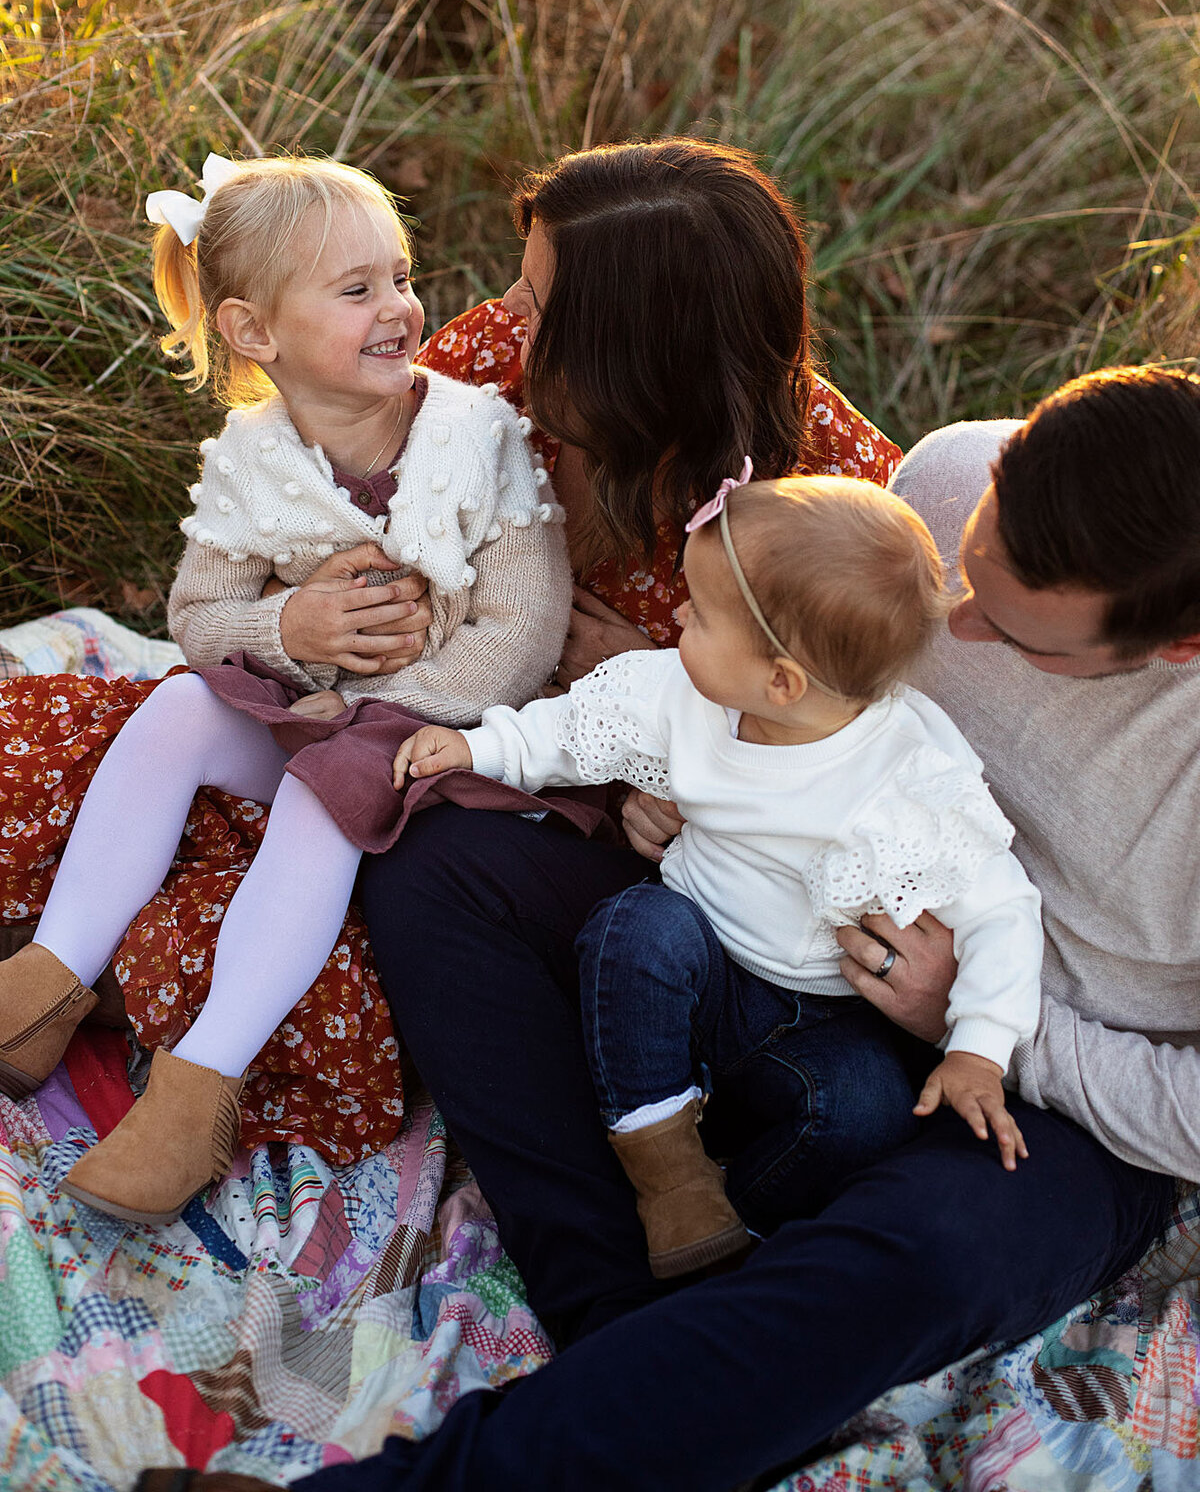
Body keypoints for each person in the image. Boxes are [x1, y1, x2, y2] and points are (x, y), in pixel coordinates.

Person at [184, 361, 1187, 1492]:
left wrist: (981, 1023)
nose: (958, 620)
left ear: (1178, 649)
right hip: (769, 932)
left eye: (1012, 633)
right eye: (972, 565)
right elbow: (811, 691)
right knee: (441, 859)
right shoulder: (951, 475)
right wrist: (702, 774)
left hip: (1044, 1085)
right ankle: (636, 1323)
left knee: (927, 1258)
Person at [0, 137, 899, 1164]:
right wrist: (300, 616)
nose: (504, 314)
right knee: (85, 760)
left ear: (637, 354)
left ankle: (183, 1064)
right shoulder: (487, 372)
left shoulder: (833, 508)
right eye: (519, 281)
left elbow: (850, 753)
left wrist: (638, 707)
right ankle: (48, 984)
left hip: (527, 802)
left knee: (312, 911)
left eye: (540, 302)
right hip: (349, 707)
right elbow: (337, 527)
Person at [0, 150, 573, 1225]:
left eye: (399, 277)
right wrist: (289, 627)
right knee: (177, 702)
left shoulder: (479, 438)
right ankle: (45, 981)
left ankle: (199, 1086)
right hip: (314, 720)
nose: (400, 308)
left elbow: (524, 635)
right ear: (255, 333)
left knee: (329, 778)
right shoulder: (254, 457)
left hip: (448, 751)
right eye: (356, 292)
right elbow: (197, 619)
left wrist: (377, 714)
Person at [398, 471, 1042, 1275]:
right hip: (698, 969)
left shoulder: (908, 772)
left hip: (826, 1015)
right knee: (635, 931)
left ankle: (730, 1223)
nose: (673, 620)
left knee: (866, 1112)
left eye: (699, 615)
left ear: (782, 679)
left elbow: (1003, 910)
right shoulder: (685, 692)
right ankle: (665, 1171)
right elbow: (574, 726)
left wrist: (978, 1046)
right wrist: (479, 749)